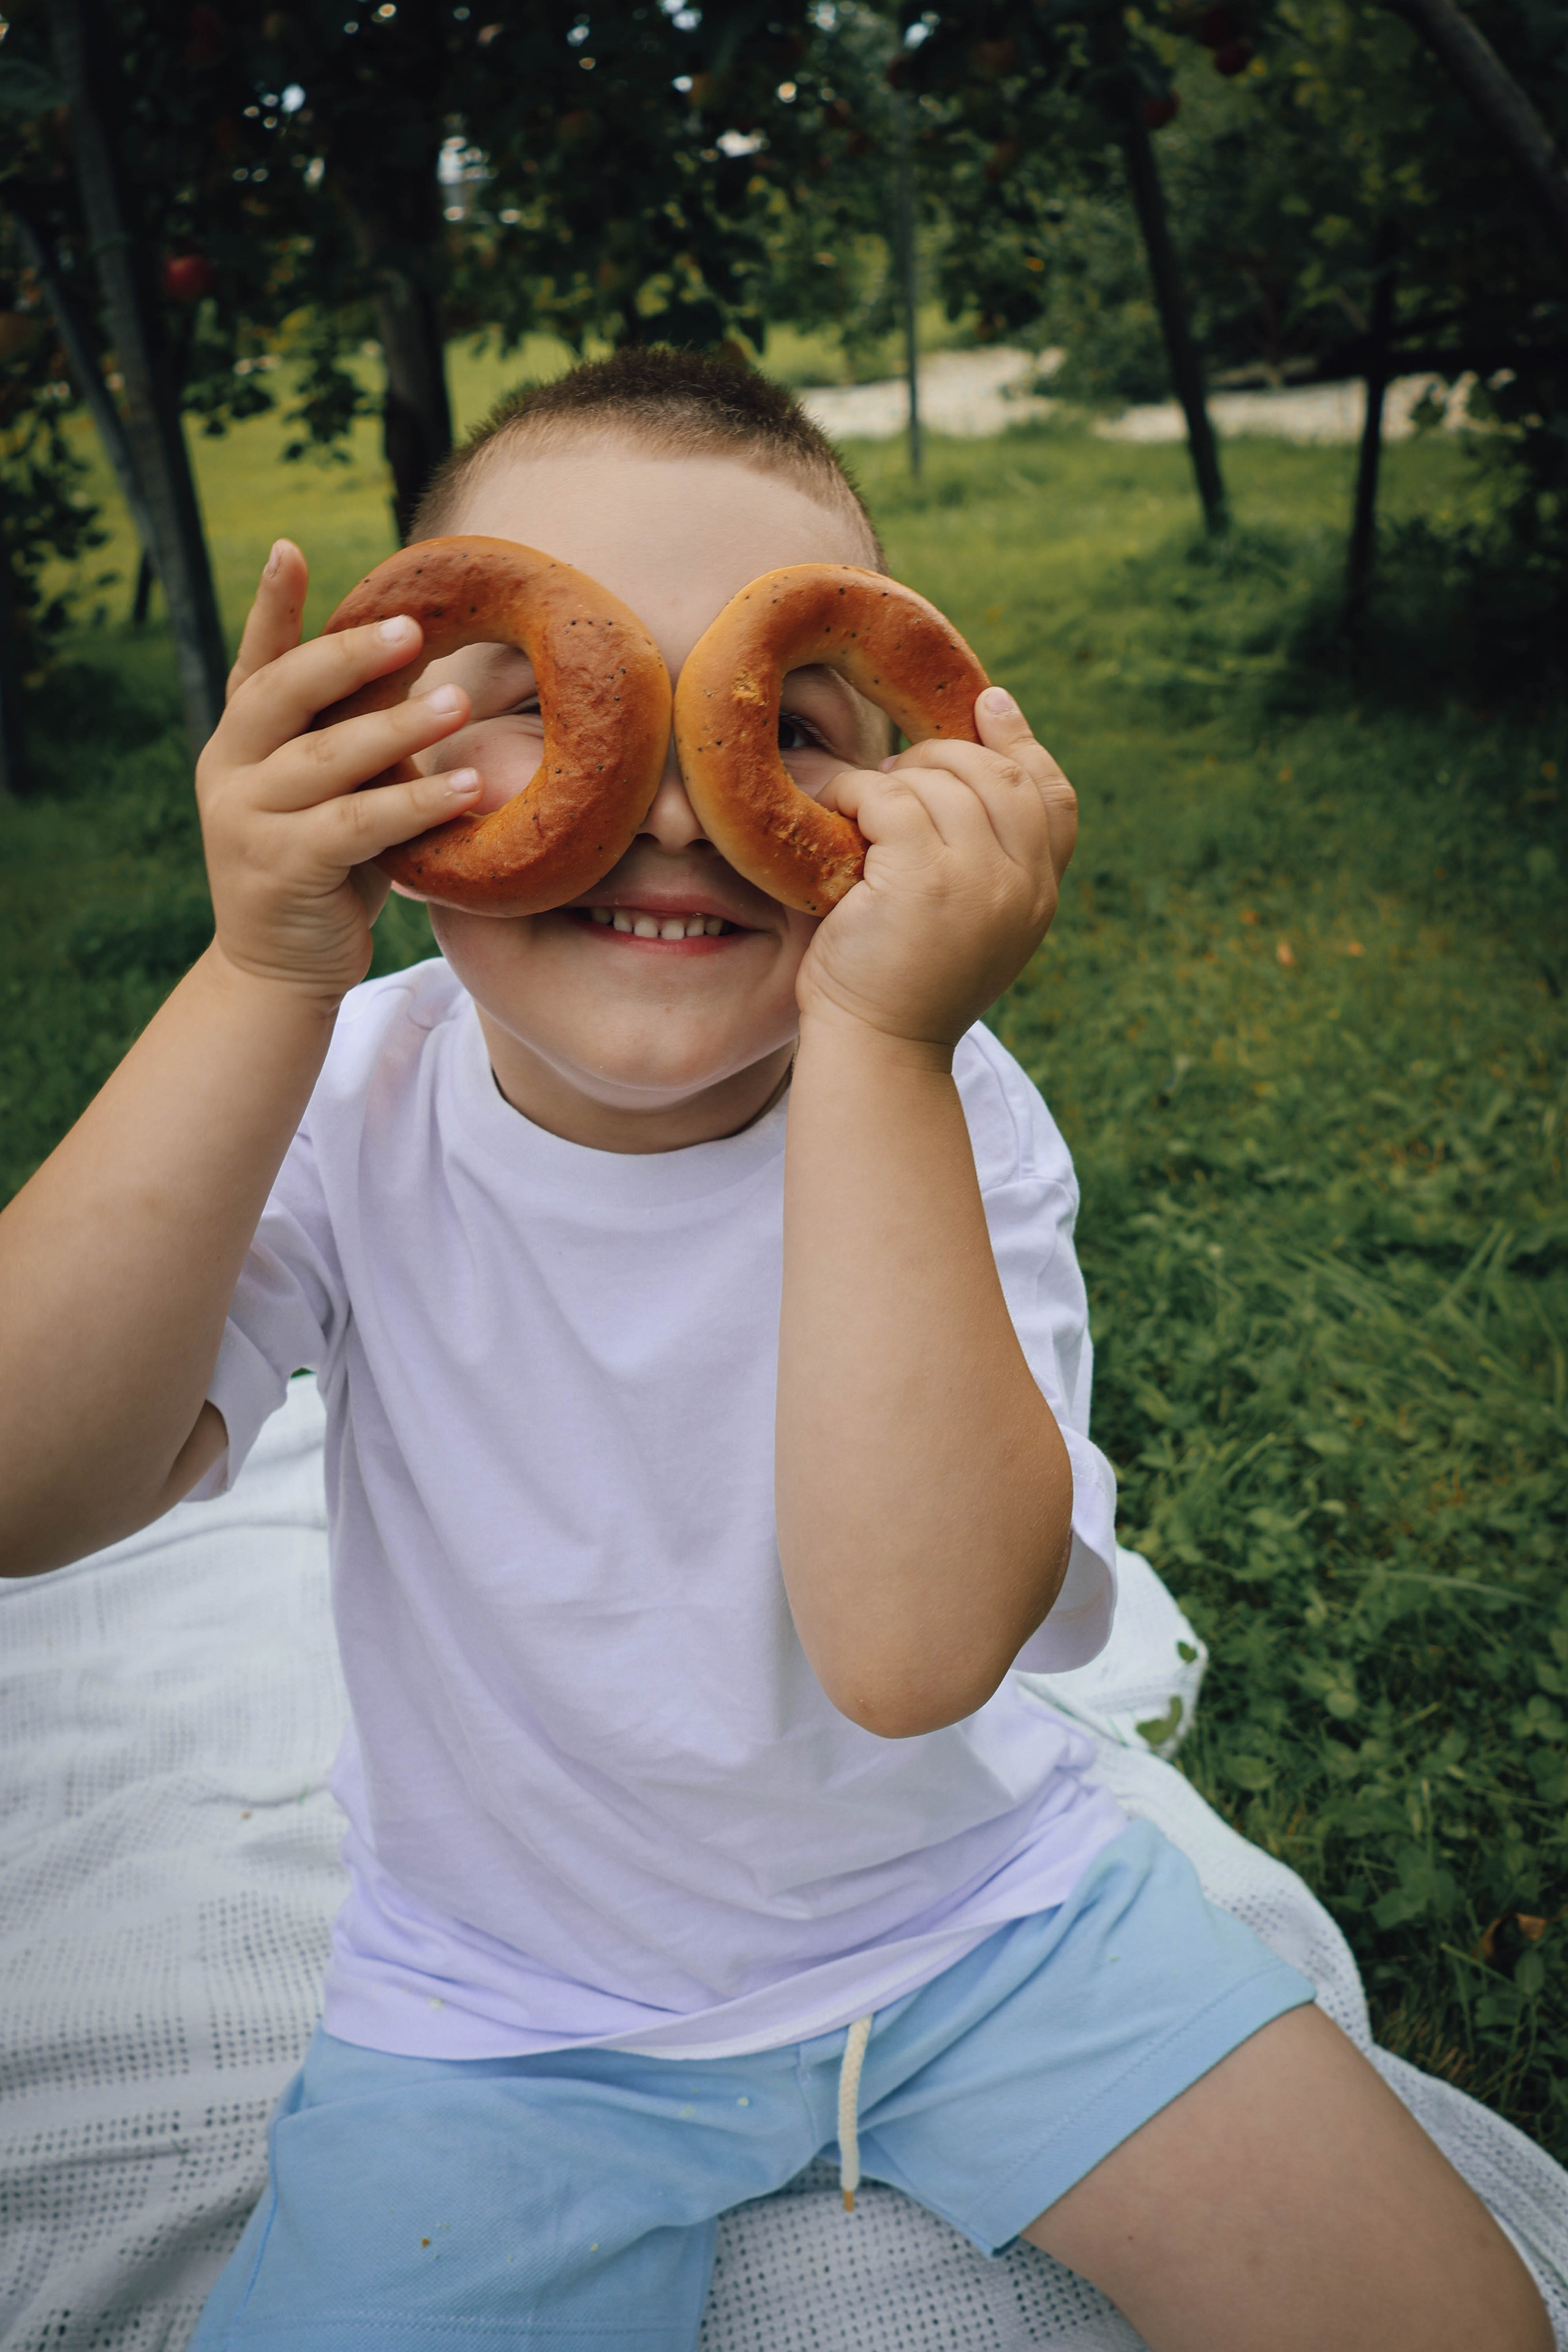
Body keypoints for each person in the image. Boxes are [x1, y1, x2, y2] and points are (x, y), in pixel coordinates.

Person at [0, 350, 1548, 2352]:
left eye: (780, 729)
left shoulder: (948, 1107)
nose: (662, 803)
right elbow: (29, 1490)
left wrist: (886, 1046)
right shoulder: (344, 1097)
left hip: (992, 1929)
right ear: (385, 757)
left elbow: (909, 1659)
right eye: (554, 714)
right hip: (501, 2016)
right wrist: (258, 966)